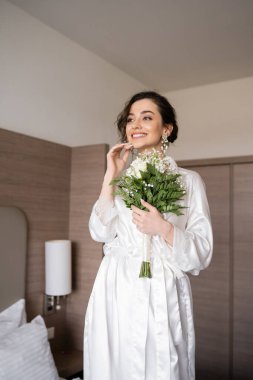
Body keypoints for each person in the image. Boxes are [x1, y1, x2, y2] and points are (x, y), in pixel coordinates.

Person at [83, 91, 213, 380]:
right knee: (114, 362)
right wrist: (110, 177)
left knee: (162, 364)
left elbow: (202, 252)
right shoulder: (120, 179)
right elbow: (99, 232)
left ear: (167, 128)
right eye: (130, 119)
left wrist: (164, 229)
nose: (135, 124)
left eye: (147, 117)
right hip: (116, 285)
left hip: (161, 285)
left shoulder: (189, 181)